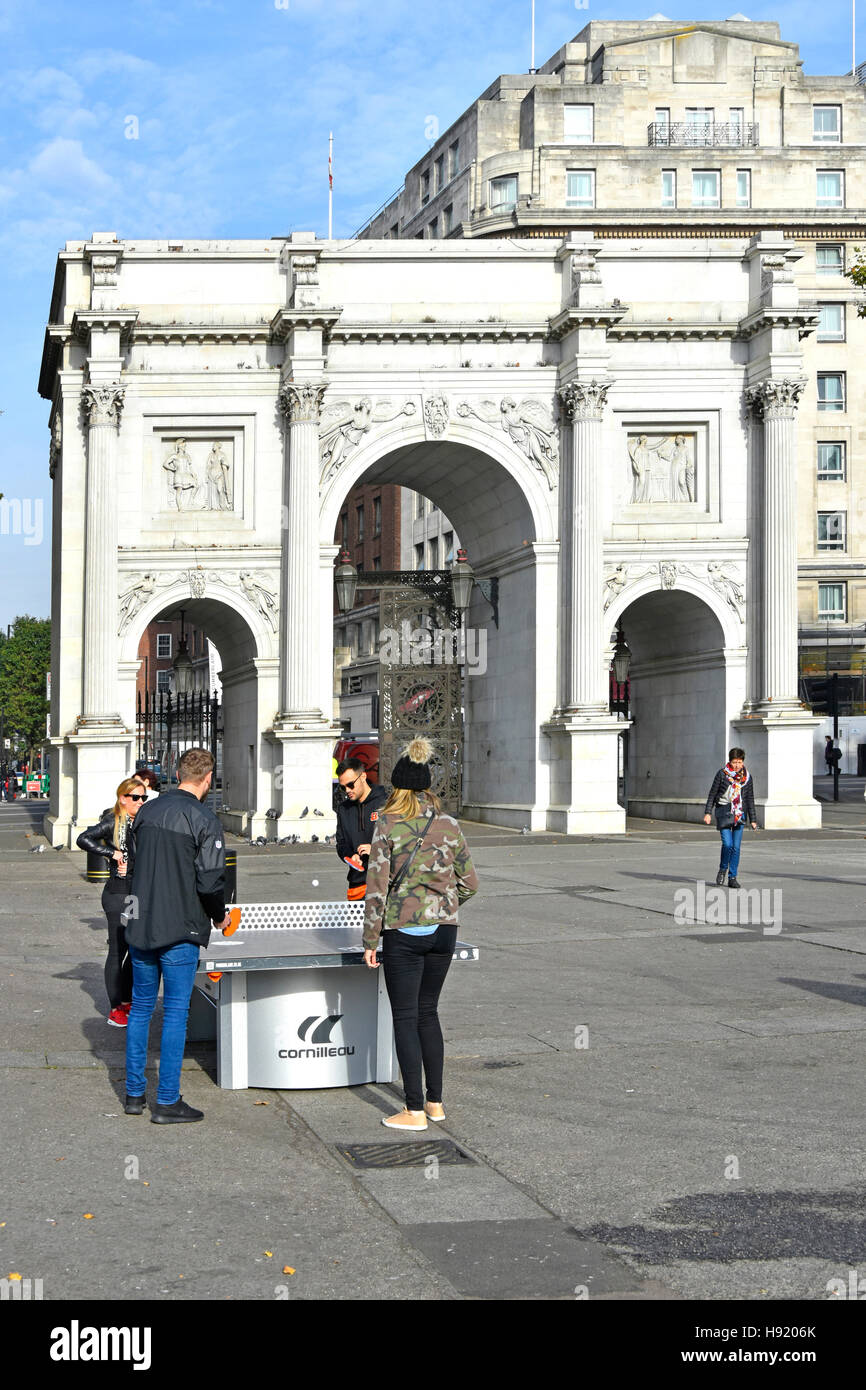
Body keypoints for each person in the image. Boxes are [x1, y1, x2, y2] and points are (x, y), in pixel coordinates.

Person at [362, 737, 478, 1131]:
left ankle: (412, 1110)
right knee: (429, 1013)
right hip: (444, 930)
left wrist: (370, 941)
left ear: (396, 788)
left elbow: (376, 887)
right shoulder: (449, 824)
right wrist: (445, 904)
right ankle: (435, 1103)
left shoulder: (387, 824)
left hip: (404, 931)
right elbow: (471, 883)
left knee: (405, 1016)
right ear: (427, 786)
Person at [123, 747, 230, 1123]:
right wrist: (218, 915)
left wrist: (129, 918)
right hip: (181, 926)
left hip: (142, 924)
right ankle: (166, 1100)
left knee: (140, 1008)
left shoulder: (147, 810)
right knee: (175, 1014)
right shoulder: (204, 818)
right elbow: (211, 880)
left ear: (178, 771)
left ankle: (134, 1093)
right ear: (208, 777)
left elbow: (131, 868)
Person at [76, 778, 149, 1027]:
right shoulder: (112, 821)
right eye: (136, 797)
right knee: (118, 949)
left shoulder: (140, 822)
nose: (140, 802)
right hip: (118, 893)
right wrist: (112, 853)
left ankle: (127, 999)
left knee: (134, 947)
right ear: (123, 798)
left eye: (143, 797)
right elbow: (84, 839)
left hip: (135, 893)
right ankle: (116, 1008)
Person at [703, 747, 758, 888]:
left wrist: (753, 819)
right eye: (734, 762)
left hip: (740, 813)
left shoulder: (747, 778)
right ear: (730, 761)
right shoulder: (722, 774)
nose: (737, 765)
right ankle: (722, 869)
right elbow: (712, 794)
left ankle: (732, 877)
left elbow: (750, 799)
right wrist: (708, 812)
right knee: (727, 844)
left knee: (736, 847)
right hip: (724, 812)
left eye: (739, 762)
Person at [335, 756, 387, 901]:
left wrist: (375, 849)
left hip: (383, 881)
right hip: (357, 883)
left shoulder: (385, 803)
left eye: (351, 784)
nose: (347, 790)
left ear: (363, 776)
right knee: (357, 924)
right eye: (342, 787)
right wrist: (351, 856)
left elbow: (400, 841)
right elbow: (341, 843)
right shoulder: (344, 809)